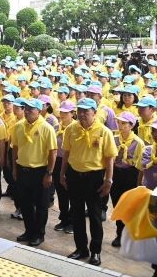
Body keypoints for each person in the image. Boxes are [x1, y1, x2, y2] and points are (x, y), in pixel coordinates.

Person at [61, 98, 117, 266]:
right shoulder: (71, 129)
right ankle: (81, 248)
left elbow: (109, 158)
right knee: (76, 214)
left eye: (86, 111)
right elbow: (66, 153)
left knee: (94, 216)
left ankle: (96, 252)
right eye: (80, 111)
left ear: (94, 112)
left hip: (94, 178)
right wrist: (62, 174)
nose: (82, 114)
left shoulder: (104, 131)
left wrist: (108, 180)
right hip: (74, 175)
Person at [11, 98, 57, 247]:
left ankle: (39, 234)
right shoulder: (18, 126)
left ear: (39, 111)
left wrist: (49, 173)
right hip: (23, 169)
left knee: (41, 205)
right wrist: (14, 168)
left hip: (40, 171)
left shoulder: (46, 128)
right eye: (26, 109)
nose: (27, 111)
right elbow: (15, 148)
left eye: (31, 109)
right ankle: (29, 231)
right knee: (25, 204)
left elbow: (52, 152)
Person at [110, 111, 145, 247]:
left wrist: (138, 184)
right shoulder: (115, 139)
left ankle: (127, 234)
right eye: (119, 122)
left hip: (131, 174)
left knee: (129, 206)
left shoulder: (138, 143)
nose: (120, 125)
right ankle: (120, 232)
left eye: (123, 123)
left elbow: (140, 165)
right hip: (116, 173)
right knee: (117, 204)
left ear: (131, 125)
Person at [53, 101, 75, 234]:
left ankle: (72, 220)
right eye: (61, 112)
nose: (62, 115)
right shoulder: (56, 127)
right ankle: (64, 217)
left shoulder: (75, 129)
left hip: (72, 162)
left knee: (72, 192)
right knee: (60, 191)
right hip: (58, 160)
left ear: (72, 114)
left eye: (66, 112)